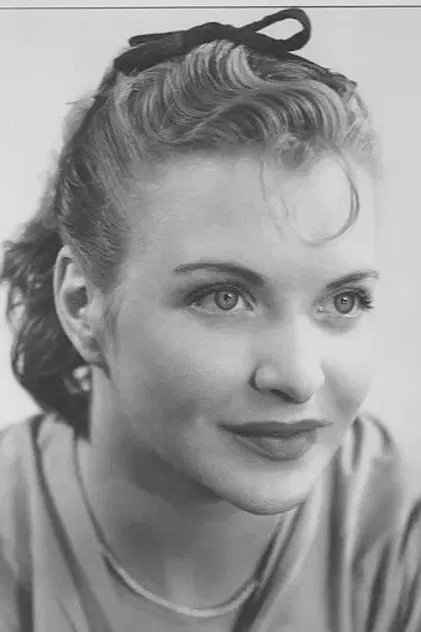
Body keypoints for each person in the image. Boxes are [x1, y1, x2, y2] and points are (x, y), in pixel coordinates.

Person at [0, 7, 420, 631]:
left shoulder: (396, 526)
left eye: (343, 301)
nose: (299, 378)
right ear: (82, 305)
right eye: (224, 297)